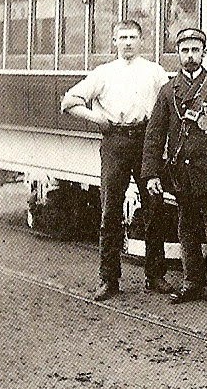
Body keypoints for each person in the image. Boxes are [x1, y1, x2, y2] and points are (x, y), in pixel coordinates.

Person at [60, 20, 173, 302]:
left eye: (133, 37)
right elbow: (69, 102)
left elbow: (172, 105)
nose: (128, 43)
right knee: (110, 211)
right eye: (122, 37)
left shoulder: (155, 72)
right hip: (115, 143)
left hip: (147, 142)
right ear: (114, 41)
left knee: (154, 207)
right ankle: (108, 279)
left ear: (142, 40)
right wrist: (97, 118)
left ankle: (155, 275)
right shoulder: (104, 73)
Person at [141, 27, 207, 307]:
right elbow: (154, 134)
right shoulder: (168, 91)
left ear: (204, 53)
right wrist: (151, 173)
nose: (190, 56)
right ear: (178, 54)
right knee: (186, 229)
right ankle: (191, 282)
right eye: (185, 51)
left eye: (195, 50)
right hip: (183, 173)